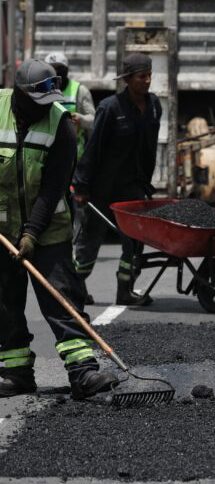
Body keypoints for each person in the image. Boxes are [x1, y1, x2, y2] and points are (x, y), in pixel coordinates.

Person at [0, 59, 119, 398]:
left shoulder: (61, 124)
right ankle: (17, 373)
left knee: (61, 298)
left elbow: (53, 187)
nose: (44, 110)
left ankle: (84, 373)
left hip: (48, 229)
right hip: (1, 225)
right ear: (19, 95)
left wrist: (31, 234)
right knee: (5, 303)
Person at [71, 53, 162, 307]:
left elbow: (150, 147)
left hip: (133, 185)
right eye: (141, 76)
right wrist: (82, 185)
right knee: (91, 240)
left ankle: (125, 289)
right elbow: (93, 148)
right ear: (128, 79)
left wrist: (146, 182)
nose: (147, 81)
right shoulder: (110, 108)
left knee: (134, 241)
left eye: (149, 75)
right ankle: (76, 288)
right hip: (103, 187)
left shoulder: (154, 105)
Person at [44, 52, 95, 162]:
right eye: (51, 68)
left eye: (59, 68)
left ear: (66, 69)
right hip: (46, 154)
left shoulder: (80, 91)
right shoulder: (41, 91)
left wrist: (81, 119)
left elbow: (94, 120)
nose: (56, 72)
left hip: (74, 157)